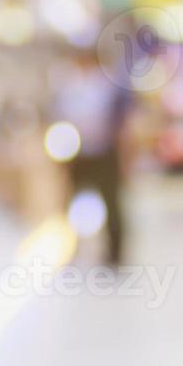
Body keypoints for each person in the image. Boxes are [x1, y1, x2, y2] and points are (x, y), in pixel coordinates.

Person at [55, 48, 133, 266]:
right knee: (71, 202)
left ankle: (115, 254)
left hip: (105, 153)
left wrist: (125, 156)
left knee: (111, 203)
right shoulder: (70, 87)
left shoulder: (109, 87)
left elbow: (121, 126)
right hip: (79, 154)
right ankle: (73, 248)